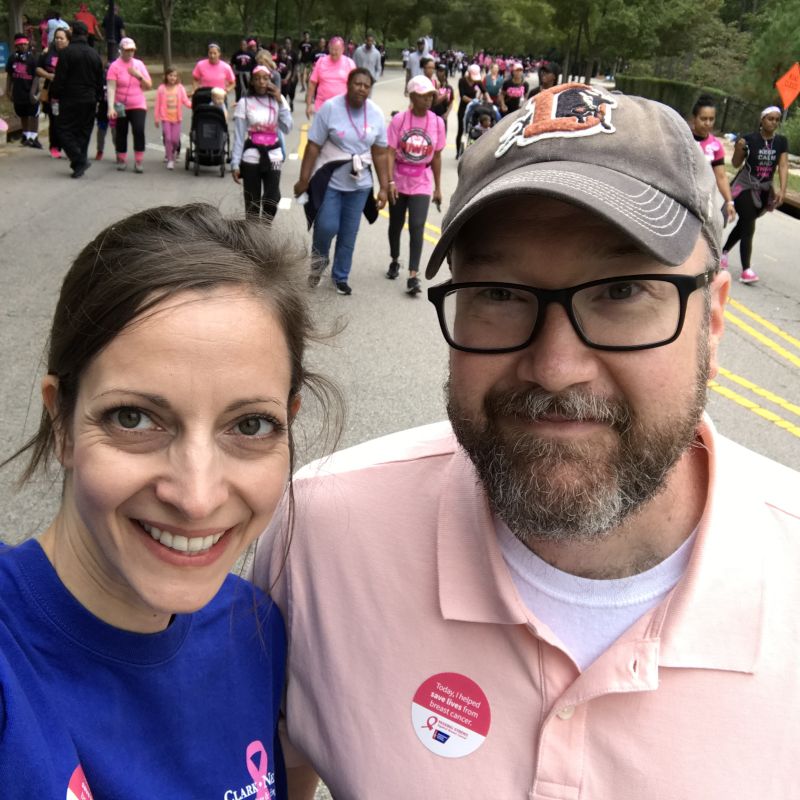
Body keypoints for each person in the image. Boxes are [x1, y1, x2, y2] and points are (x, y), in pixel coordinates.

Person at [253, 84, 800, 798]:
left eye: (622, 291)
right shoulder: (317, 540)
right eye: (501, 294)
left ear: (714, 319)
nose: (555, 367)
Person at [0, 201, 336, 798]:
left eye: (251, 426)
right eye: (135, 418)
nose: (197, 497)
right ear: (62, 424)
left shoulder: (255, 630)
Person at [294, 67, 389, 295]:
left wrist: (385, 187)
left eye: (367, 86)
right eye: (358, 84)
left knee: (349, 233)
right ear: (348, 84)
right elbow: (314, 145)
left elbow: (380, 152)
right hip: (331, 182)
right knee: (326, 227)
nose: (362, 89)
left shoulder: (375, 113)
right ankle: (318, 266)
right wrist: (303, 179)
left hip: (360, 185)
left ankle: (341, 276)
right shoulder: (330, 108)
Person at [386, 75, 444, 296]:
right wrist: (389, 181)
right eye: (422, 95)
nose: (428, 100)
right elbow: (390, 152)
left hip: (422, 180)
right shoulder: (399, 120)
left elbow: (437, 157)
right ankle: (394, 259)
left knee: (417, 225)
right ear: (411, 96)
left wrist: (438, 187)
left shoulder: (437, 122)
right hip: (399, 180)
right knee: (396, 224)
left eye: (430, 95)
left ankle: (413, 275)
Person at [720, 106, 789, 284]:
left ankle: (724, 252)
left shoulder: (781, 142)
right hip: (745, 187)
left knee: (744, 223)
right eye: (770, 118)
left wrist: (782, 189)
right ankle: (746, 269)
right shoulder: (749, 140)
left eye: (776, 119)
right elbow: (735, 164)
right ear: (762, 120)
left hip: (765, 190)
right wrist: (739, 148)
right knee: (749, 226)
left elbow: (782, 165)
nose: (773, 122)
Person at [232, 66, 293, 222]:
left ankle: (265, 227)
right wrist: (235, 164)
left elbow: (287, 127)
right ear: (252, 81)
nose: (261, 82)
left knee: (273, 198)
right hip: (251, 157)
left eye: (265, 78)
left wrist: (280, 101)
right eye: (257, 78)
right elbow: (239, 136)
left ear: (270, 80)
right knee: (252, 203)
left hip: (273, 156)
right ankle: (253, 239)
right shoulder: (244, 103)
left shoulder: (277, 100)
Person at [51, 20, 103, 178]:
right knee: (83, 131)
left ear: (72, 33)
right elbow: (100, 79)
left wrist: (55, 94)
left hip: (70, 98)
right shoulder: (94, 54)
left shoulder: (67, 53)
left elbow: (60, 77)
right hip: (89, 98)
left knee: (62, 129)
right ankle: (79, 165)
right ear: (86, 34)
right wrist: (99, 97)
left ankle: (79, 159)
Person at [107, 37, 152, 173]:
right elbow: (111, 88)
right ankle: (121, 158)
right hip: (120, 104)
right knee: (121, 131)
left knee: (138, 130)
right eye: (127, 50)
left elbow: (148, 85)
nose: (130, 53)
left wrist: (138, 75)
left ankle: (139, 160)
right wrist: (110, 107)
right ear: (121, 50)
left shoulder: (139, 64)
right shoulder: (115, 66)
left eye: (132, 50)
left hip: (138, 103)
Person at [37, 27, 70, 158]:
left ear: (68, 40)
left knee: (67, 120)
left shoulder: (71, 53)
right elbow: (38, 68)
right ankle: (54, 146)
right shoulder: (48, 52)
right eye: (56, 38)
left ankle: (68, 146)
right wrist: (49, 75)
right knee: (54, 119)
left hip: (68, 92)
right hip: (52, 91)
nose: (58, 40)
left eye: (61, 38)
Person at [5, 34, 41, 149]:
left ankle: (34, 137)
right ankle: (25, 136)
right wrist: (8, 90)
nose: (23, 46)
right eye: (21, 44)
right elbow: (10, 75)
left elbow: (37, 76)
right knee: (23, 114)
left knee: (34, 114)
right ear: (16, 45)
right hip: (18, 92)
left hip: (30, 92)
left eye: (25, 44)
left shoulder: (33, 58)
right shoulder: (12, 58)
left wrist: (33, 92)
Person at [306, 36, 356, 118]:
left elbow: (354, 86)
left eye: (336, 50)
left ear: (343, 49)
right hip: (321, 107)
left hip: (342, 109)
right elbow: (312, 83)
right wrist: (309, 104)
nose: (333, 52)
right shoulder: (321, 61)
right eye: (331, 49)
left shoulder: (349, 63)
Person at [154, 66, 191, 170]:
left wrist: (193, 105)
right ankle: (170, 159)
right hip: (165, 118)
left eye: (175, 76)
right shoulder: (161, 88)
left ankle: (172, 152)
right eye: (170, 75)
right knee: (168, 138)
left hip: (177, 118)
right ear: (166, 76)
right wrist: (157, 118)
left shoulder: (180, 88)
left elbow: (185, 101)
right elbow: (157, 104)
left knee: (175, 140)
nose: (172, 78)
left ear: (177, 77)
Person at [456, 63, 485, 158]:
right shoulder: (462, 81)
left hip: (474, 109)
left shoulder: (477, 81)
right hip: (464, 109)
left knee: (475, 129)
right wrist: (473, 101)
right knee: (461, 130)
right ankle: (458, 152)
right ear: (468, 73)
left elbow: (485, 91)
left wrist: (488, 100)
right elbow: (463, 96)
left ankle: (471, 152)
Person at [231, 37, 257, 102]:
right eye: (242, 44)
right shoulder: (236, 54)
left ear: (247, 45)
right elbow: (232, 64)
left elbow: (254, 65)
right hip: (238, 74)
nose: (243, 46)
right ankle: (238, 102)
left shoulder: (251, 54)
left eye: (244, 44)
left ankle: (249, 102)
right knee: (238, 89)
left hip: (248, 74)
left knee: (248, 89)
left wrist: (253, 75)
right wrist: (233, 72)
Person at [431, 62, 454, 131]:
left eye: (441, 71)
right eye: (437, 70)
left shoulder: (448, 88)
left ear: (445, 73)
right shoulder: (432, 85)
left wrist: (447, 114)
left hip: (442, 117)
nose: (438, 73)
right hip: (432, 116)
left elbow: (451, 102)